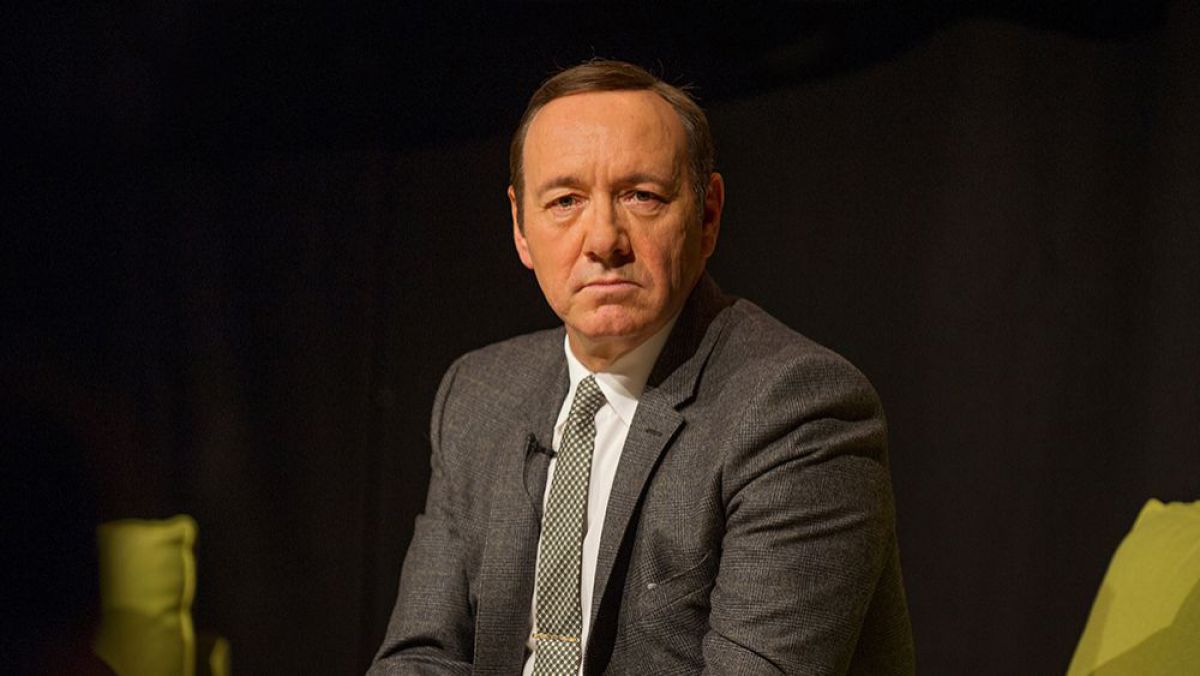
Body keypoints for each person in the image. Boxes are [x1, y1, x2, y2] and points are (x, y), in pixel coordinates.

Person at [370, 60, 915, 675]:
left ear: (707, 214)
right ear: (521, 226)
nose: (604, 239)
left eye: (641, 196)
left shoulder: (797, 411)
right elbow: (422, 655)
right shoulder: (478, 394)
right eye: (566, 201)